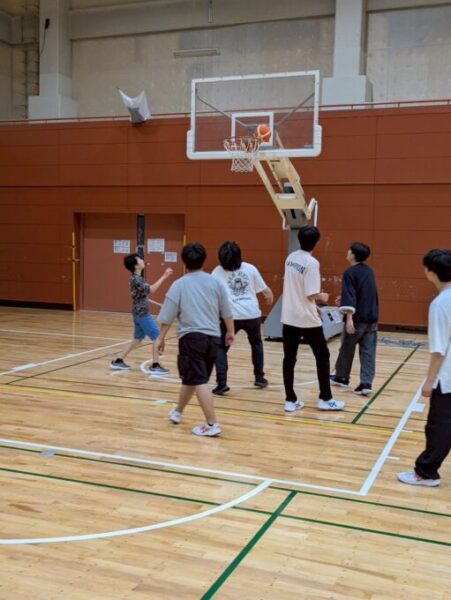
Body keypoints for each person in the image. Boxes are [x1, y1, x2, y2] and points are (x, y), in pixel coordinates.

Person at [155, 242, 235, 437]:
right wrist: (230, 331)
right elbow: (226, 310)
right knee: (192, 378)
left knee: (199, 380)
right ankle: (178, 411)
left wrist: (160, 338)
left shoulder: (179, 284)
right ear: (203, 259)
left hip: (192, 338)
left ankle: (211, 424)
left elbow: (167, 316)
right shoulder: (215, 283)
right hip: (213, 339)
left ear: (184, 261)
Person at [398, 249, 451, 487]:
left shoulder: (440, 304)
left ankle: (426, 472)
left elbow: (438, 350)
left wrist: (430, 380)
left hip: (448, 378)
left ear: (431, 272)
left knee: (439, 425)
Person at [281, 225, 345, 412]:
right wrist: (322, 297)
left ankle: (290, 400)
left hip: (289, 316)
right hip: (307, 320)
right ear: (316, 242)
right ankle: (326, 398)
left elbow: (297, 289)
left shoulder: (290, 258)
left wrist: (313, 306)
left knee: (289, 358)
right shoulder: (312, 263)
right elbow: (311, 293)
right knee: (322, 356)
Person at [211, 241, 274, 395]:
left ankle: (221, 383)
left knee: (220, 348)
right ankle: (259, 378)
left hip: (229, 316)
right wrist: (269, 297)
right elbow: (267, 292)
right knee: (256, 344)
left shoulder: (217, 272)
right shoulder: (250, 268)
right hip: (252, 314)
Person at [110, 253, 173, 374]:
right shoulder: (136, 279)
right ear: (136, 265)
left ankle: (118, 360)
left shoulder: (137, 278)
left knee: (137, 339)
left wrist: (157, 304)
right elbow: (152, 289)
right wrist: (164, 276)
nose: (142, 260)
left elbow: (142, 297)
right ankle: (155, 366)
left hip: (137, 313)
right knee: (157, 338)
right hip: (142, 314)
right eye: (139, 259)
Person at [330, 242, 378, 397]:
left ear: (353, 255)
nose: (347, 252)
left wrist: (349, 318)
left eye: (349, 250)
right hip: (371, 317)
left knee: (347, 348)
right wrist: (343, 299)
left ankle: (341, 377)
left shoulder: (349, 272)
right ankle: (366, 383)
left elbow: (350, 295)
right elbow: (364, 293)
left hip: (357, 318)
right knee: (368, 351)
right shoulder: (369, 271)